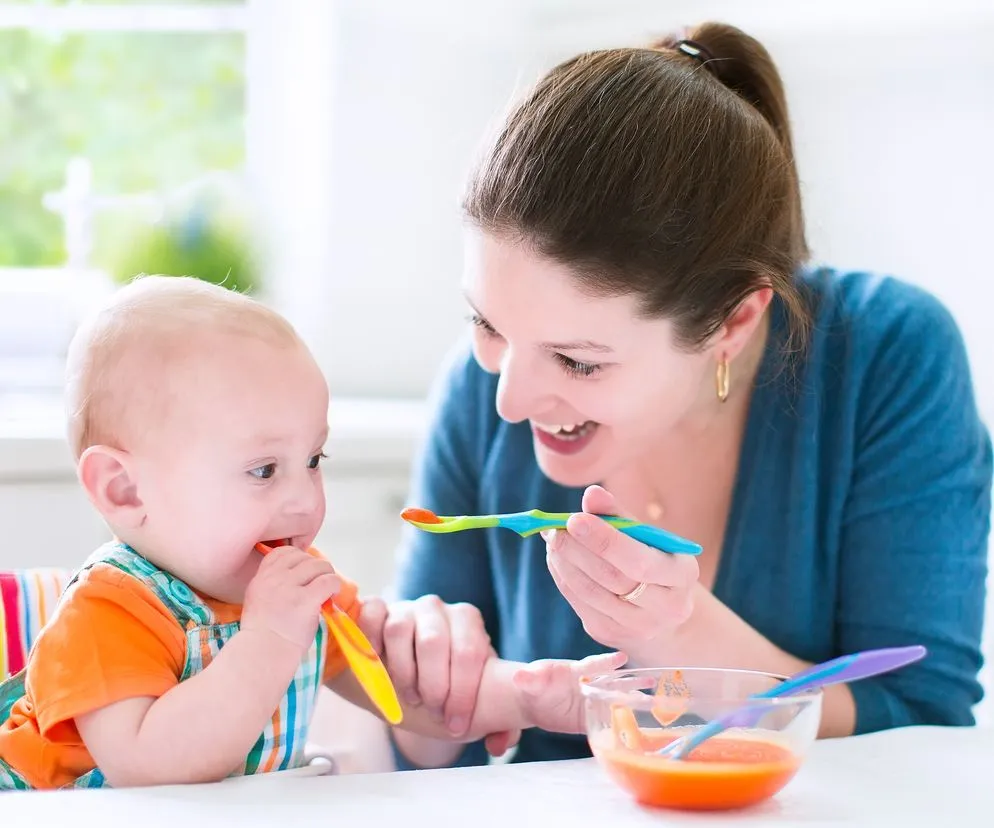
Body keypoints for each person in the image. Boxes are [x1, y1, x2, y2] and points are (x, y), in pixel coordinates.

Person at [379, 21, 993, 770]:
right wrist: (424, 692)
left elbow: (920, 718)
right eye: (486, 322)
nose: (508, 399)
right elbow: (420, 753)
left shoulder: (887, 358)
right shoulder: (479, 390)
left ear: (734, 321)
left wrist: (679, 638)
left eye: (577, 361)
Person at [0, 276, 624, 790]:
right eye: (263, 470)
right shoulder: (106, 615)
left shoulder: (293, 593)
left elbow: (404, 692)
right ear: (124, 489)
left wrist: (529, 694)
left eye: (314, 461)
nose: (305, 500)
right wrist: (268, 637)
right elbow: (151, 768)